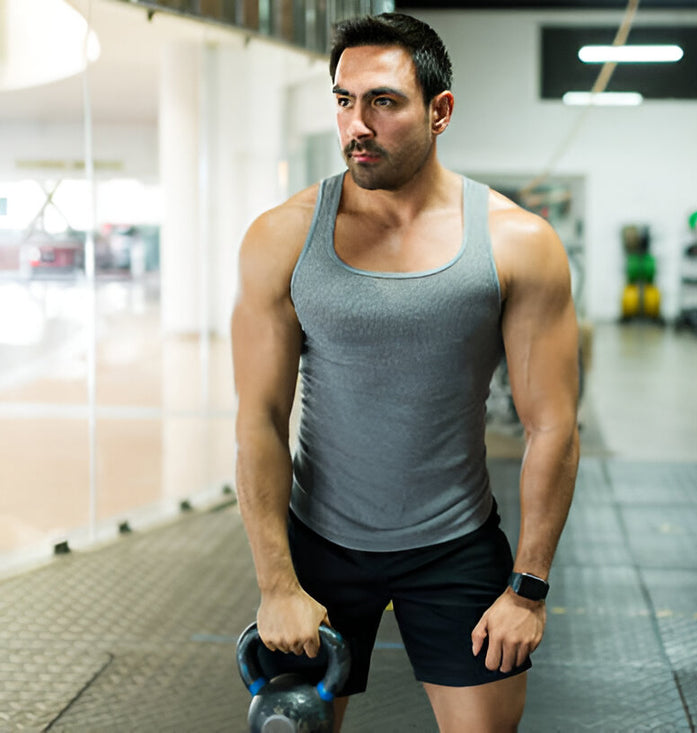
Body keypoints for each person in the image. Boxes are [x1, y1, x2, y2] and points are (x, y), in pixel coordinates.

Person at [230, 13, 580, 731]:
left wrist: (529, 588)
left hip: (455, 545)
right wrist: (276, 582)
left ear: (439, 110)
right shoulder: (283, 237)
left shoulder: (517, 243)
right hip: (319, 542)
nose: (357, 123)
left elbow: (552, 425)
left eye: (383, 101)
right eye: (343, 100)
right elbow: (259, 419)